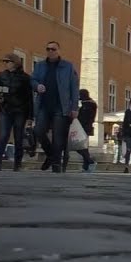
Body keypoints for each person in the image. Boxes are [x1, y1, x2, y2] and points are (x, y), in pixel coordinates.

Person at [30, 40, 79, 173]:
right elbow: (32, 79)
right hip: (43, 105)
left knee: (58, 137)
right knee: (38, 131)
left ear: (59, 51)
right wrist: (37, 86)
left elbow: (74, 88)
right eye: (48, 49)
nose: (50, 51)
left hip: (61, 106)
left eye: (53, 49)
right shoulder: (40, 66)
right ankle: (51, 154)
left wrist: (74, 107)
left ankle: (56, 163)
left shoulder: (67, 67)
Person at [0, 52, 32, 171]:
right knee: (3, 135)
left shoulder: (25, 78)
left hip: (20, 110)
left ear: (15, 63)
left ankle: (17, 163)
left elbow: (29, 97)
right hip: (5, 109)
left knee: (18, 137)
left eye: (7, 61)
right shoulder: (1, 75)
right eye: (4, 62)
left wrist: (30, 116)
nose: (5, 64)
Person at [66, 88, 98, 173]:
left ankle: (90, 161)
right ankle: (86, 165)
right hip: (84, 128)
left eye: (80, 95)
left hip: (82, 129)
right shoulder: (90, 104)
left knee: (79, 146)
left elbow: (84, 118)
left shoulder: (87, 105)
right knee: (83, 147)